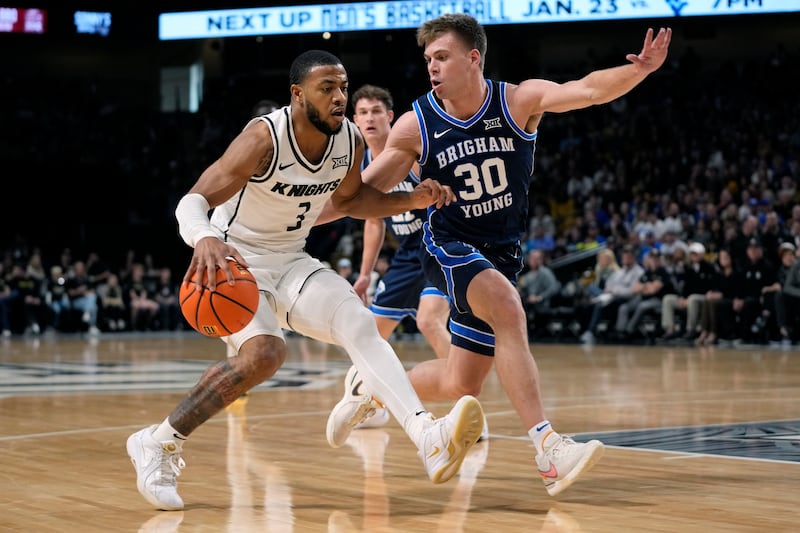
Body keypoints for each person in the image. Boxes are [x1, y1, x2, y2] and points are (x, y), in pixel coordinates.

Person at [327, 14, 671, 497]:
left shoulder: (517, 99)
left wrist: (641, 70)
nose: (432, 67)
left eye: (442, 57)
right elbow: (361, 194)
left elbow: (589, 89)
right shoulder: (416, 123)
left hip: (502, 252)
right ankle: (548, 449)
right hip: (448, 246)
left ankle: (371, 388)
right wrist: (295, 217)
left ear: (473, 59)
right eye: (428, 59)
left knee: (457, 383)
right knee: (509, 309)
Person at [126, 50, 484, 512]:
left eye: (343, 87)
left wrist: (409, 200)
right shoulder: (263, 138)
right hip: (235, 264)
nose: (340, 98)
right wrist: (205, 238)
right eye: (327, 89)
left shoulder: (349, 140)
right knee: (266, 354)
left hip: (292, 260)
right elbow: (192, 199)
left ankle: (427, 437)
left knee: (359, 322)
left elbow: (355, 200)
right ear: (297, 95)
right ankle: (158, 442)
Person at [345, 83, 454, 429]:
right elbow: (374, 222)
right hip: (407, 255)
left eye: (376, 111)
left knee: (429, 320)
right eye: (362, 112)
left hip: (438, 243)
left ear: (390, 116)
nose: (370, 118)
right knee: (370, 335)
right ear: (355, 120)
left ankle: (466, 407)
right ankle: (373, 405)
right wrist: (365, 274)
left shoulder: (410, 153)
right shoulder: (361, 164)